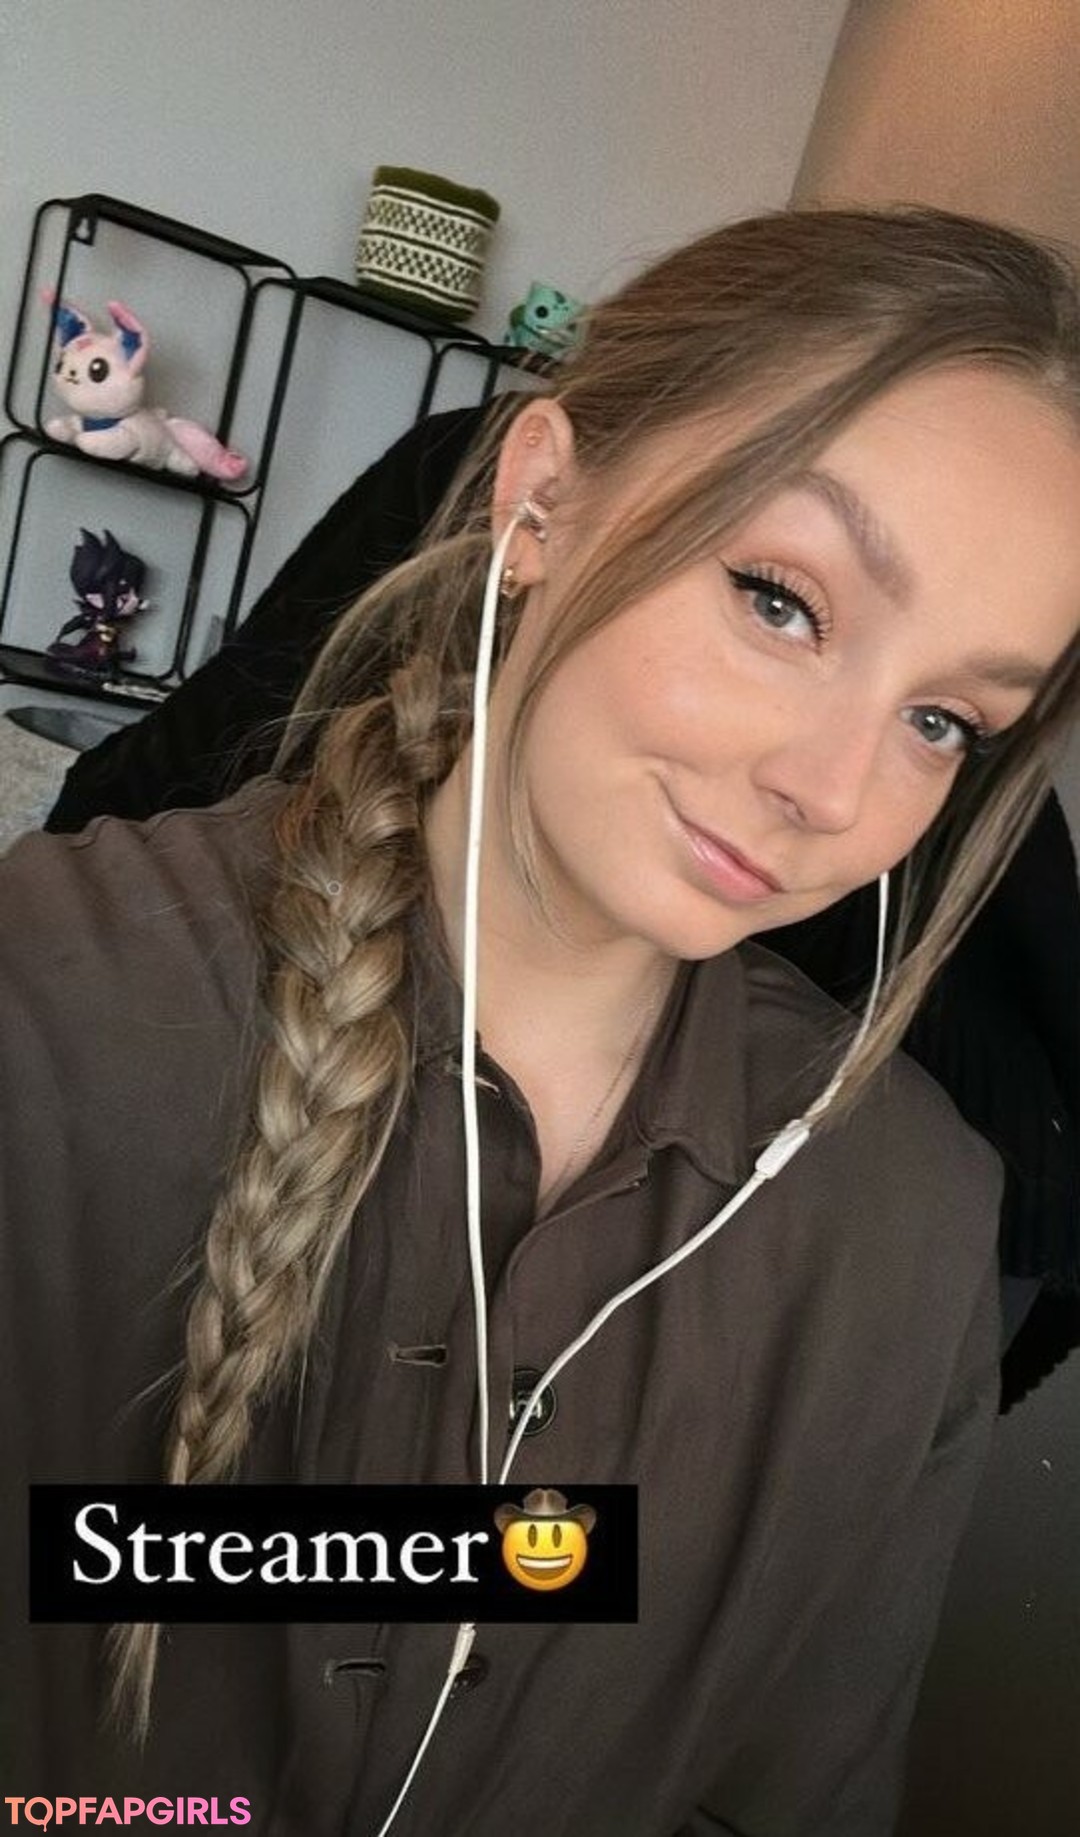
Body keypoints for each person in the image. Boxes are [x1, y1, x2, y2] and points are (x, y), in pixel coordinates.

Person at [5, 203, 1080, 1834]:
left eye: (944, 718)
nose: (835, 790)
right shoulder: (49, 1016)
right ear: (542, 500)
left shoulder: (908, 1237)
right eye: (781, 600)